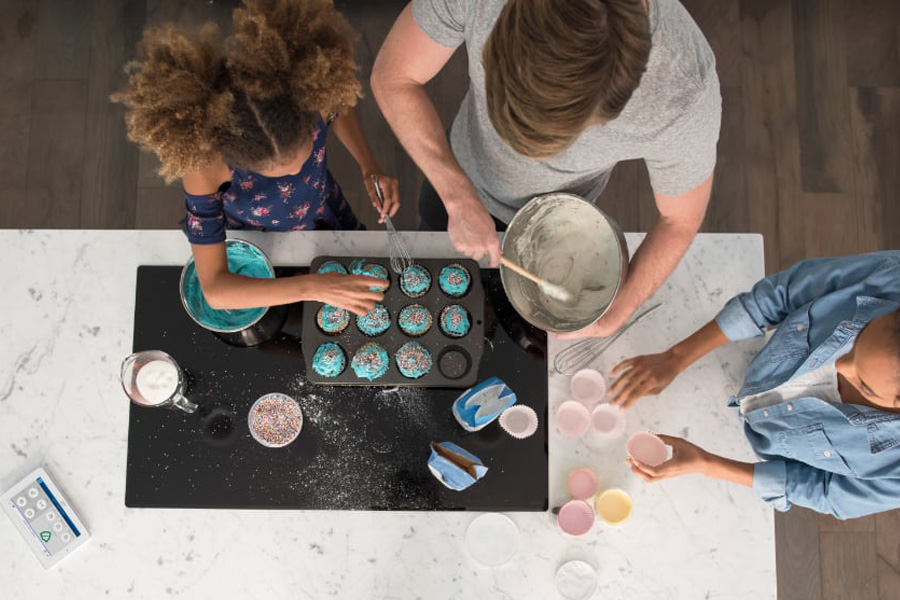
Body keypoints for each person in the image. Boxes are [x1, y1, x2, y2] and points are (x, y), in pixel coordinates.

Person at [371, 0, 721, 337]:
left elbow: (679, 220)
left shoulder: (683, 89)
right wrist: (456, 195)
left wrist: (613, 317)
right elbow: (394, 77)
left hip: (565, 223)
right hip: (456, 175)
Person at [112, 0, 399, 316]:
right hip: (251, 240)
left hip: (320, 211)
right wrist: (312, 286)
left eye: (304, 159)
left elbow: (339, 106)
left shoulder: (312, 98)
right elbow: (217, 291)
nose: (298, 170)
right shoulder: (204, 166)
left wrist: (368, 164)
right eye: (283, 171)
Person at [609, 252, 900, 519]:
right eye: (857, 339)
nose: (839, 364)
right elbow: (779, 296)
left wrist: (706, 464)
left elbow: (825, 491)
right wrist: (675, 358)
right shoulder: (891, 277)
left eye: (864, 384)